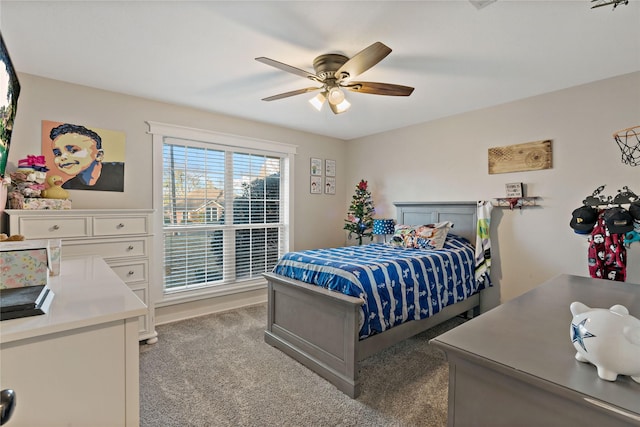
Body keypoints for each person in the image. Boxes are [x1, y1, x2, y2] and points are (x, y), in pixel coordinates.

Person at [49, 123, 124, 192]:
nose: (62, 157)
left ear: (99, 155)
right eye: (57, 153)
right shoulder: (67, 186)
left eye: (73, 150)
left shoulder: (120, 170)